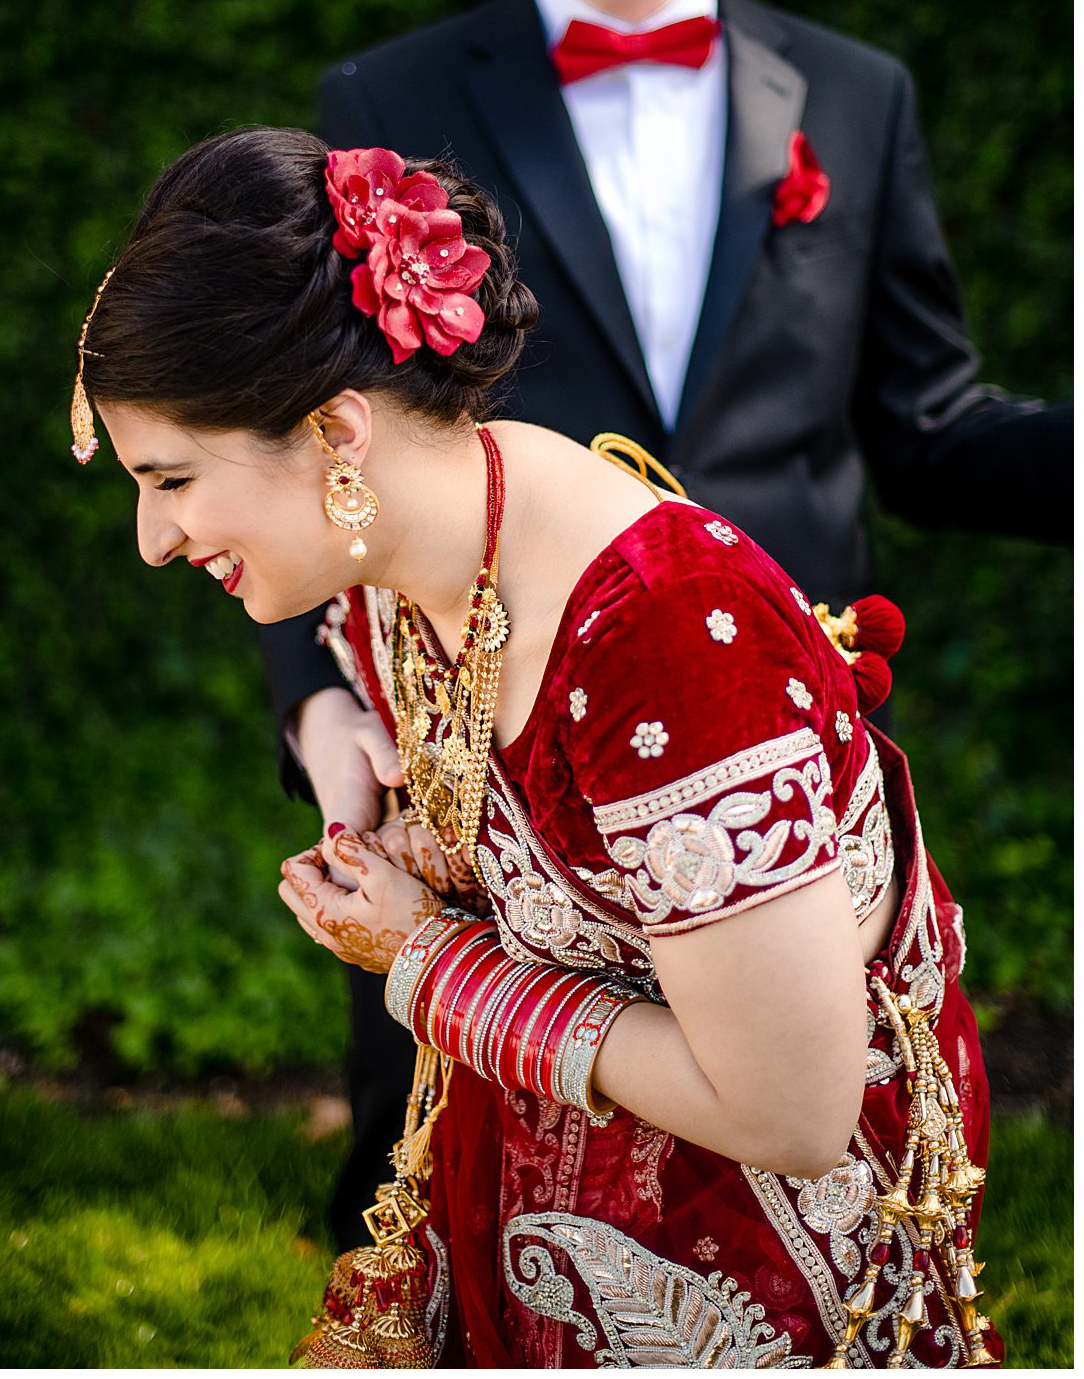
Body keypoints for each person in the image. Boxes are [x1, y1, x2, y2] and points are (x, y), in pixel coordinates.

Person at [263, 0, 1069, 1250]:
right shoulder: (388, 91)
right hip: (495, 776)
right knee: (480, 1238)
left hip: (766, 778)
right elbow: (315, 451)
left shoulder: (853, 94)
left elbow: (927, 425)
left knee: (780, 1214)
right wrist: (322, 708)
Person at [72, 126, 996, 1366]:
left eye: (173, 480)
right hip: (548, 1181)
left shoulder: (664, 641)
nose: (152, 537)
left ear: (340, 434)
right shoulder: (413, 544)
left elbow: (793, 1109)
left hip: (753, 1253)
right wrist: (394, 786)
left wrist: (429, 961)